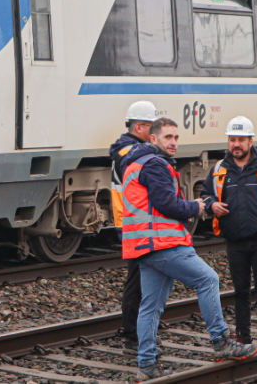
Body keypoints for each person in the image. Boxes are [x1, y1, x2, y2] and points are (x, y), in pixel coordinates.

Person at [121, 118, 257, 382]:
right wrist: (197, 206)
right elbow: (168, 205)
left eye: (176, 137)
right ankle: (221, 342)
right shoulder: (155, 164)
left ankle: (146, 364)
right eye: (167, 138)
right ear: (153, 139)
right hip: (163, 243)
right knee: (208, 279)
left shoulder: (135, 164)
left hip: (142, 245)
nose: (173, 142)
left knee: (150, 306)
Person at [200, 116, 257, 350]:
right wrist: (211, 206)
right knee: (240, 292)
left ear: (251, 141)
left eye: (240, 139)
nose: (236, 144)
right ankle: (243, 338)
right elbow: (206, 194)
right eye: (232, 140)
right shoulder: (220, 169)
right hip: (235, 241)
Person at [109, 100, 158, 354]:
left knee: (140, 279)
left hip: (132, 221)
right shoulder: (130, 153)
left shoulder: (125, 150)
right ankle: (132, 336)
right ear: (139, 126)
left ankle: (138, 332)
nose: (155, 134)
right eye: (152, 128)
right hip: (134, 223)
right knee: (137, 282)